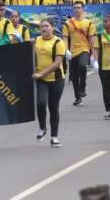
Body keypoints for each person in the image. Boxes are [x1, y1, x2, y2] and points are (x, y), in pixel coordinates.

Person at [33, 18, 65, 147]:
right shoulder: (36, 41)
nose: (44, 29)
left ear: (52, 27)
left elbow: (57, 63)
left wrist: (41, 73)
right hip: (41, 79)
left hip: (56, 79)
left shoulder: (58, 42)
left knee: (53, 107)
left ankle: (54, 137)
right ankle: (42, 128)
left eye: (46, 26)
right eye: (42, 27)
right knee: (41, 103)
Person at [63, 2, 96, 106]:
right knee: (74, 76)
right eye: (75, 8)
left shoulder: (89, 23)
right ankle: (78, 98)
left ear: (83, 9)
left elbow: (92, 39)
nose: (76, 9)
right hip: (73, 51)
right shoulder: (68, 23)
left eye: (78, 8)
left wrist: (93, 54)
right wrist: (66, 50)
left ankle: (83, 86)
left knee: (82, 66)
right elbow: (65, 37)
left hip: (84, 49)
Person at [93, 13, 110, 119]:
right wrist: (95, 61)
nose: (104, 23)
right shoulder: (100, 35)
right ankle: (108, 110)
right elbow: (96, 49)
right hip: (103, 66)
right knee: (105, 89)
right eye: (103, 21)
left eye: (106, 21)